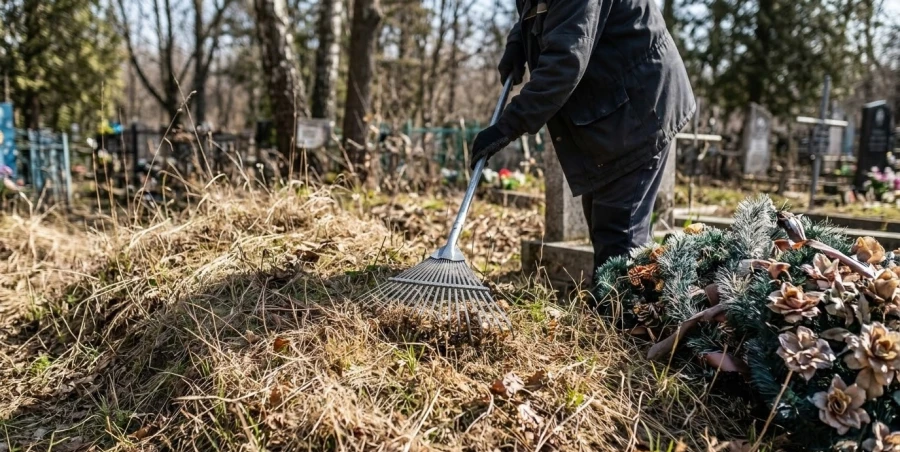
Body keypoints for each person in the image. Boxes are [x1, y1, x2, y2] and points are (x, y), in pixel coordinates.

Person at [470, 0, 695, 281]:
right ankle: (619, 299)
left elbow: (565, 62)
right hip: (609, 105)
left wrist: (507, 126)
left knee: (620, 235)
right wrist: (519, 39)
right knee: (605, 223)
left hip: (638, 107)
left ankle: (622, 306)